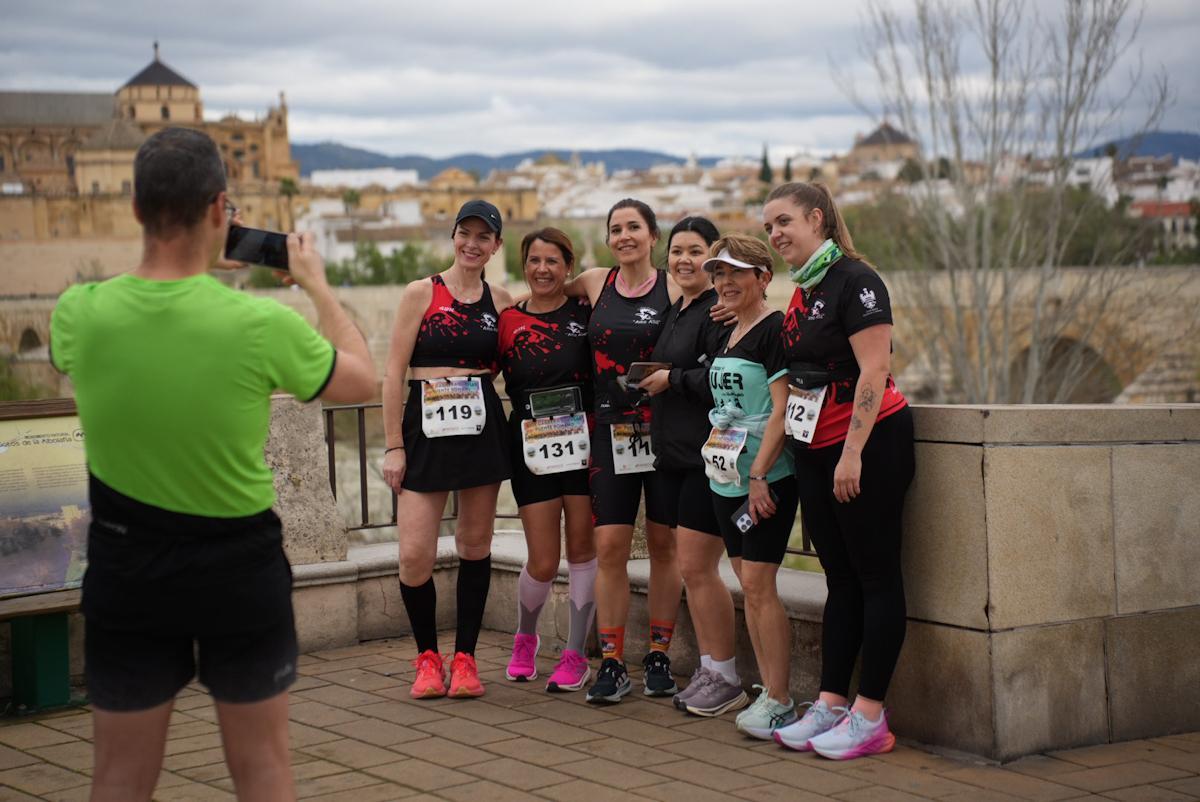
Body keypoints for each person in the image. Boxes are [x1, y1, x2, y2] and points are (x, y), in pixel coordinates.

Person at [49, 127, 376, 802]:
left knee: (117, 777)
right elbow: (362, 381)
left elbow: (107, 335)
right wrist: (316, 286)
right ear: (221, 209)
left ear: (136, 209)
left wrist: (188, 273)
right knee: (262, 770)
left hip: (126, 562)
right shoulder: (259, 325)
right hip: (236, 565)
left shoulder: (79, 314)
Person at [762, 182, 914, 760]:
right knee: (840, 579)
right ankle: (830, 702)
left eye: (784, 222)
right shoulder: (803, 289)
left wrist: (853, 451)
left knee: (876, 577)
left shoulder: (857, 280)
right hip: (816, 450)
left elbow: (874, 369)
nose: (775, 234)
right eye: (769, 226)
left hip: (866, 446)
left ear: (817, 219)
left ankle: (871, 714)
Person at [381, 200, 514, 700]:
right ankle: (426, 658)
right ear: (453, 237)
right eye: (466, 233)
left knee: (475, 546)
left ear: (497, 246)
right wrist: (394, 445)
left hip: (480, 429)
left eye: (485, 237)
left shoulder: (501, 300)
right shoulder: (422, 292)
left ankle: (465, 659)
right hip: (424, 428)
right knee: (414, 554)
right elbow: (393, 372)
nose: (473, 244)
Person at [554, 199, 682, 703]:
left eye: (634, 227)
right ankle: (610, 660)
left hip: (666, 433)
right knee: (609, 547)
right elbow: (543, 294)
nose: (624, 236)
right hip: (610, 433)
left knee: (664, 546)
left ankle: (658, 654)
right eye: (615, 229)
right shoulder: (594, 281)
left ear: (653, 236)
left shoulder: (676, 285)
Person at [635, 216, 743, 717]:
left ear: (713, 259)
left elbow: (720, 381)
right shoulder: (676, 308)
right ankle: (711, 668)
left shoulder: (718, 312)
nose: (683, 260)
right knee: (691, 568)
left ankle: (724, 674)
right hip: (674, 455)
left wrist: (671, 379)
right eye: (676, 251)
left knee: (700, 568)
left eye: (695, 251)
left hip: (707, 456)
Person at [699, 233, 800, 739]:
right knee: (748, 586)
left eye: (736, 272)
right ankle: (768, 690)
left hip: (765, 479)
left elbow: (784, 410)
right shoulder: (728, 330)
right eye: (718, 273)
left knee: (760, 587)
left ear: (763, 277)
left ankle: (781, 699)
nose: (724, 282)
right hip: (726, 478)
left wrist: (760, 474)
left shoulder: (775, 330)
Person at [497, 228, 597, 692]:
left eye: (552, 261)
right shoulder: (508, 320)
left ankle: (576, 653)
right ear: (524, 265)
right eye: (534, 260)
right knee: (542, 558)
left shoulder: (586, 311)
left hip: (582, 443)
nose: (542, 269)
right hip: (531, 444)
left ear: (567, 266)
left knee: (581, 550)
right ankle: (525, 636)